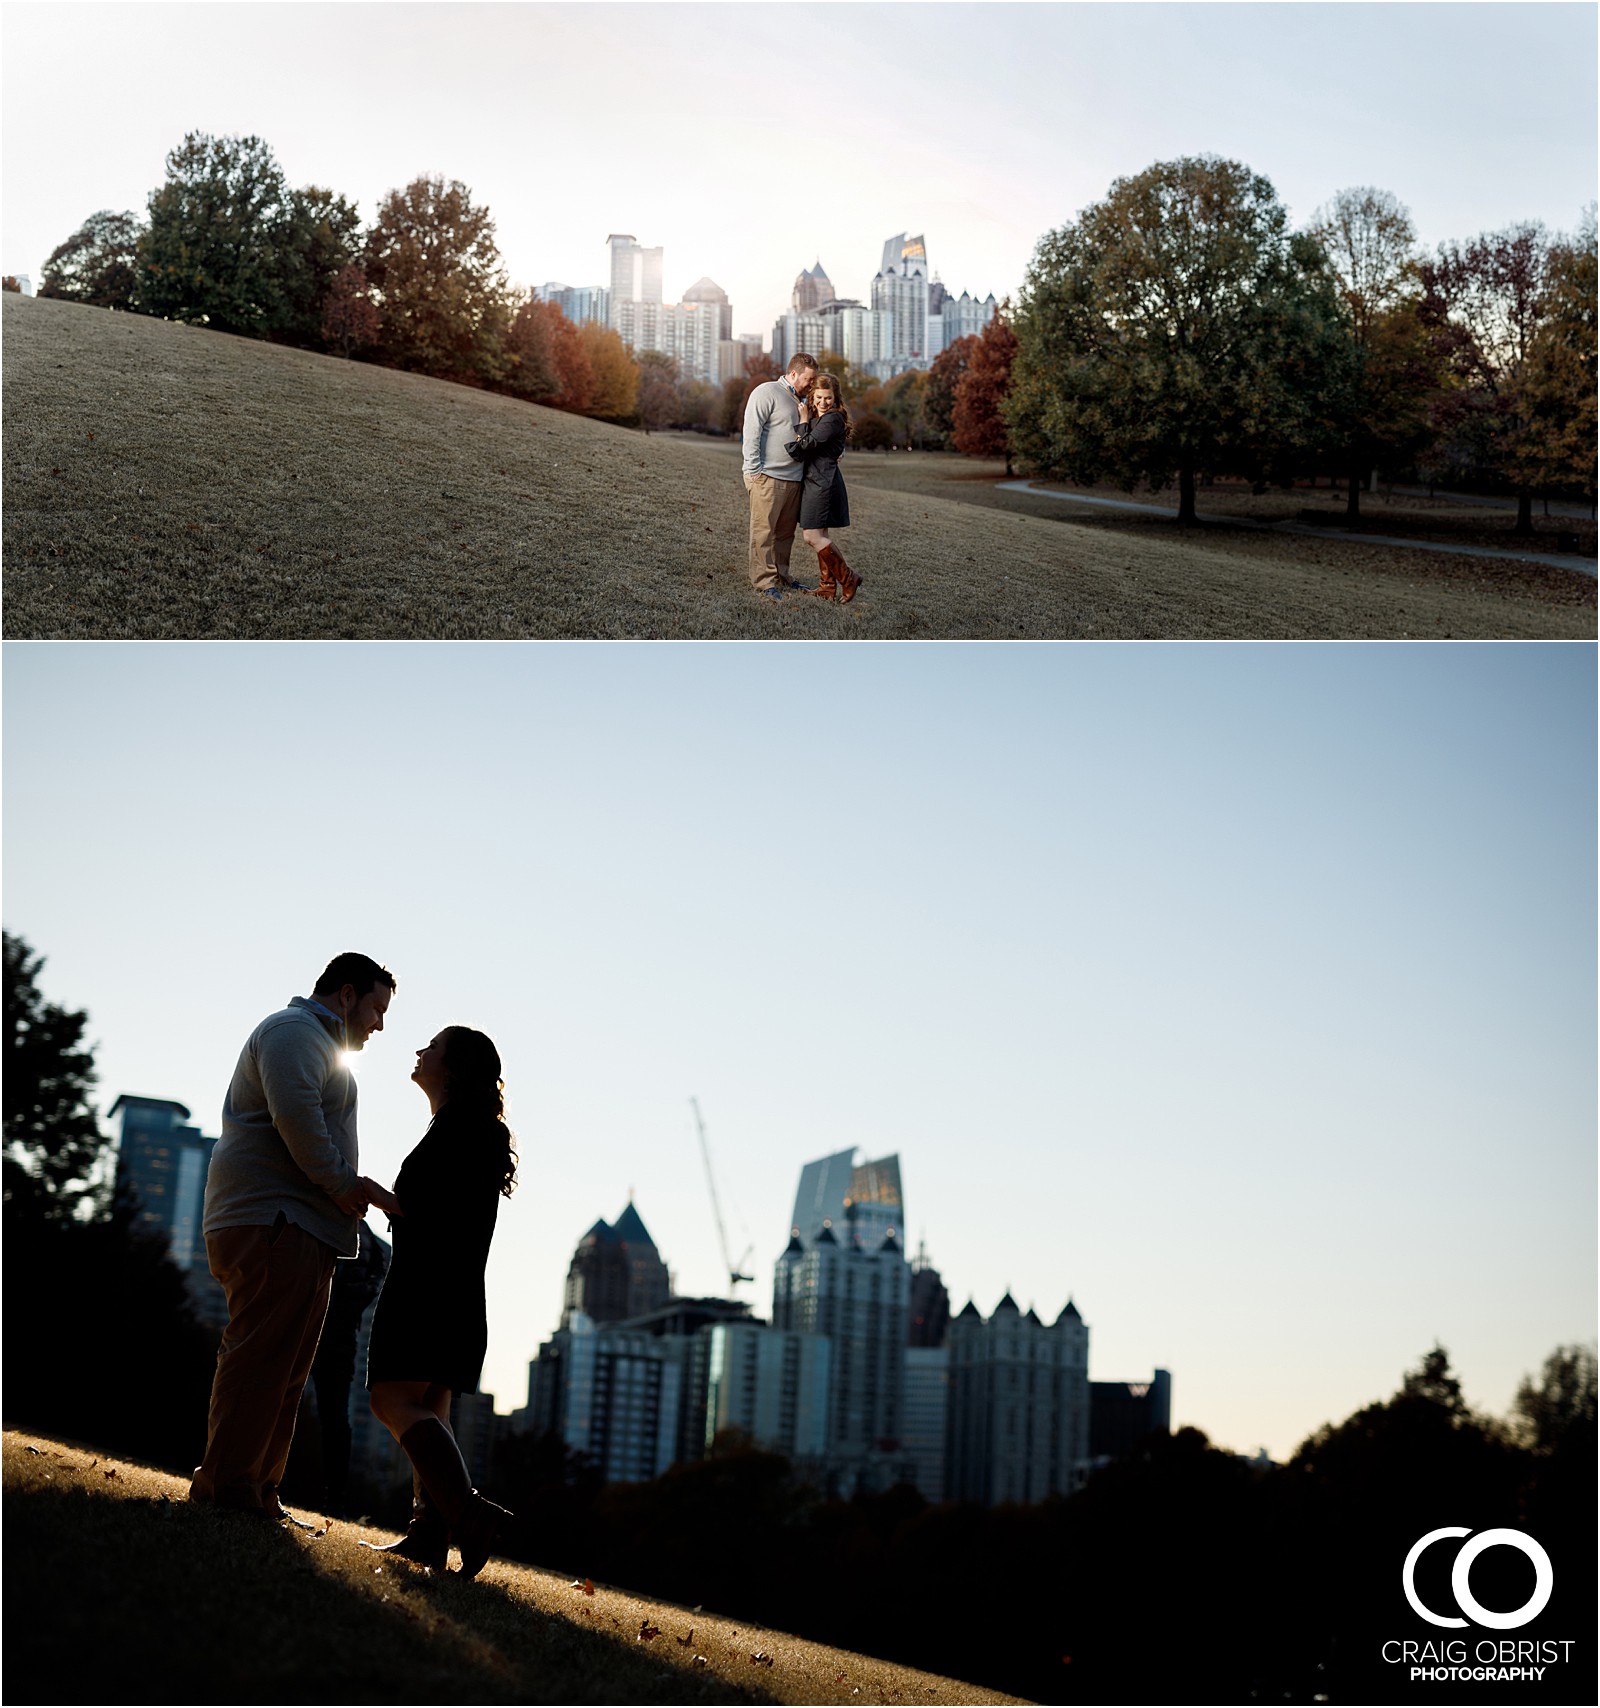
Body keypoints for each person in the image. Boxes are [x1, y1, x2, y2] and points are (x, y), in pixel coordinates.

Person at [191, 952, 401, 1522]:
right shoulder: (293, 1032)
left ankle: (257, 1489)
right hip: (274, 1222)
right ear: (348, 994)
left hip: (302, 1228)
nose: (379, 1025)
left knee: (284, 1371)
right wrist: (346, 1186)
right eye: (377, 1009)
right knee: (260, 1359)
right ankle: (227, 1488)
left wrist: (343, 1197)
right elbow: (298, 1118)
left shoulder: (312, 1040)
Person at [364, 1026, 517, 1579]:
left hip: (425, 1290)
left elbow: (427, 1212)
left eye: (431, 1048)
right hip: (456, 1296)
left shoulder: (456, 1130)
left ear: (451, 1070)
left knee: (391, 1399)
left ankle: (469, 1514)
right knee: (432, 1409)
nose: (419, 1052)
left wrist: (372, 1193)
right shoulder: (475, 1130)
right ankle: (428, 1536)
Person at [309, 1219, 390, 1516]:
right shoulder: (375, 1245)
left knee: (334, 1418)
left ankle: (334, 1501)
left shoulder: (368, 1240)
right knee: (333, 1418)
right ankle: (334, 1501)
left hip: (333, 1334)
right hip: (336, 1333)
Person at [741, 352, 818, 598]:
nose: (812, 385)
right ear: (793, 374)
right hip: (767, 477)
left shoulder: (805, 402)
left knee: (785, 534)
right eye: (809, 379)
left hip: (794, 480)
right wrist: (754, 471)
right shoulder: (766, 392)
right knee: (763, 532)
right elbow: (751, 432)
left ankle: (782, 576)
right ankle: (764, 582)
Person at [787, 371, 862, 602]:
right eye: (818, 397)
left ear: (836, 398)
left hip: (823, 483)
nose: (822, 402)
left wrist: (802, 421)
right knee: (820, 534)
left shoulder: (832, 418)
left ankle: (848, 578)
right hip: (815, 481)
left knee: (811, 536)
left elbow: (805, 446)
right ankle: (827, 588)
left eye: (828, 397)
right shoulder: (820, 418)